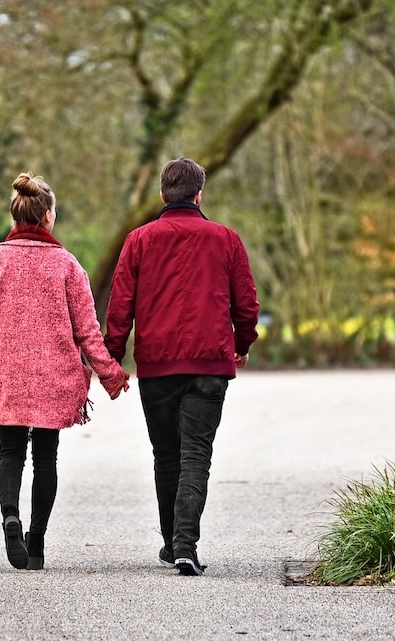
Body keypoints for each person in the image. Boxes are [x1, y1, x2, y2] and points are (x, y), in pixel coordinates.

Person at [0, 172, 129, 571]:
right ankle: (36, 544)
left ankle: (9, 517)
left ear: (15, 215)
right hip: (55, 377)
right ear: (48, 216)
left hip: (6, 374)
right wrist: (111, 374)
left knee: (10, 452)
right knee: (46, 459)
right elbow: (87, 331)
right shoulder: (67, 266)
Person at [104, 157, 260, 576]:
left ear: (162, 195)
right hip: (210, 363)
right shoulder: (225, 239)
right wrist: (242, 344)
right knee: (196, 454)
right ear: (199, 194)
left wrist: (111, 359)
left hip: (157, 365)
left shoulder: (138, 241)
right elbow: (246, 303)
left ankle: (173, 543)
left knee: (166, 454)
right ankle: (185, 543)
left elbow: (120, 307)